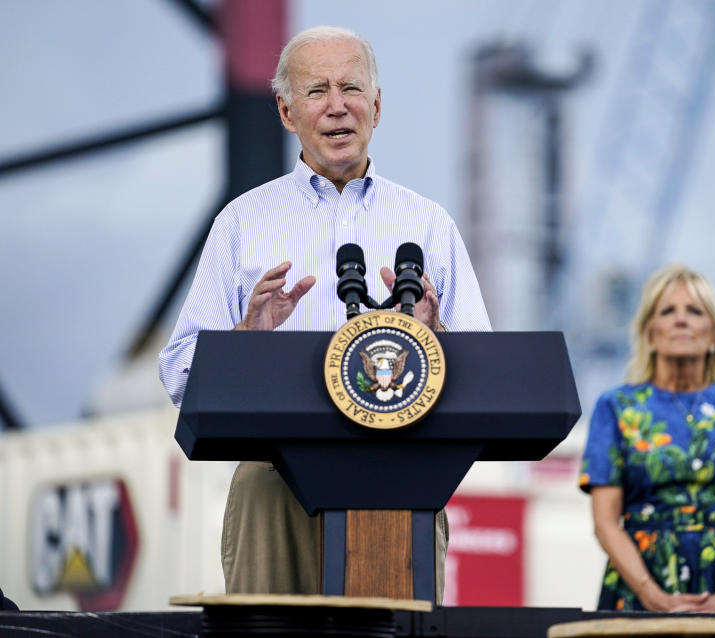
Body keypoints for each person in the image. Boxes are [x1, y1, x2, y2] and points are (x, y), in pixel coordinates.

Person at [159, 25, 490, 600]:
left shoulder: (429, 225)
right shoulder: (241, 223)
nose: (337, 106)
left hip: (404, 479)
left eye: (351, 88)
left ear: (378, 106)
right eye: (317, 91)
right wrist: (244, 339)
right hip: (274, 483)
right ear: (286, 112)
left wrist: (437, 338)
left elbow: (488, 376)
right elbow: (181, 375)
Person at [579, 264, 715, 613]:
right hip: (642, 588)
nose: (681, 320)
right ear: (649, 332)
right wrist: (652, 595)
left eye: (694, 311)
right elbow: (605, 522)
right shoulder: (615, 407)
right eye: (667, 311)